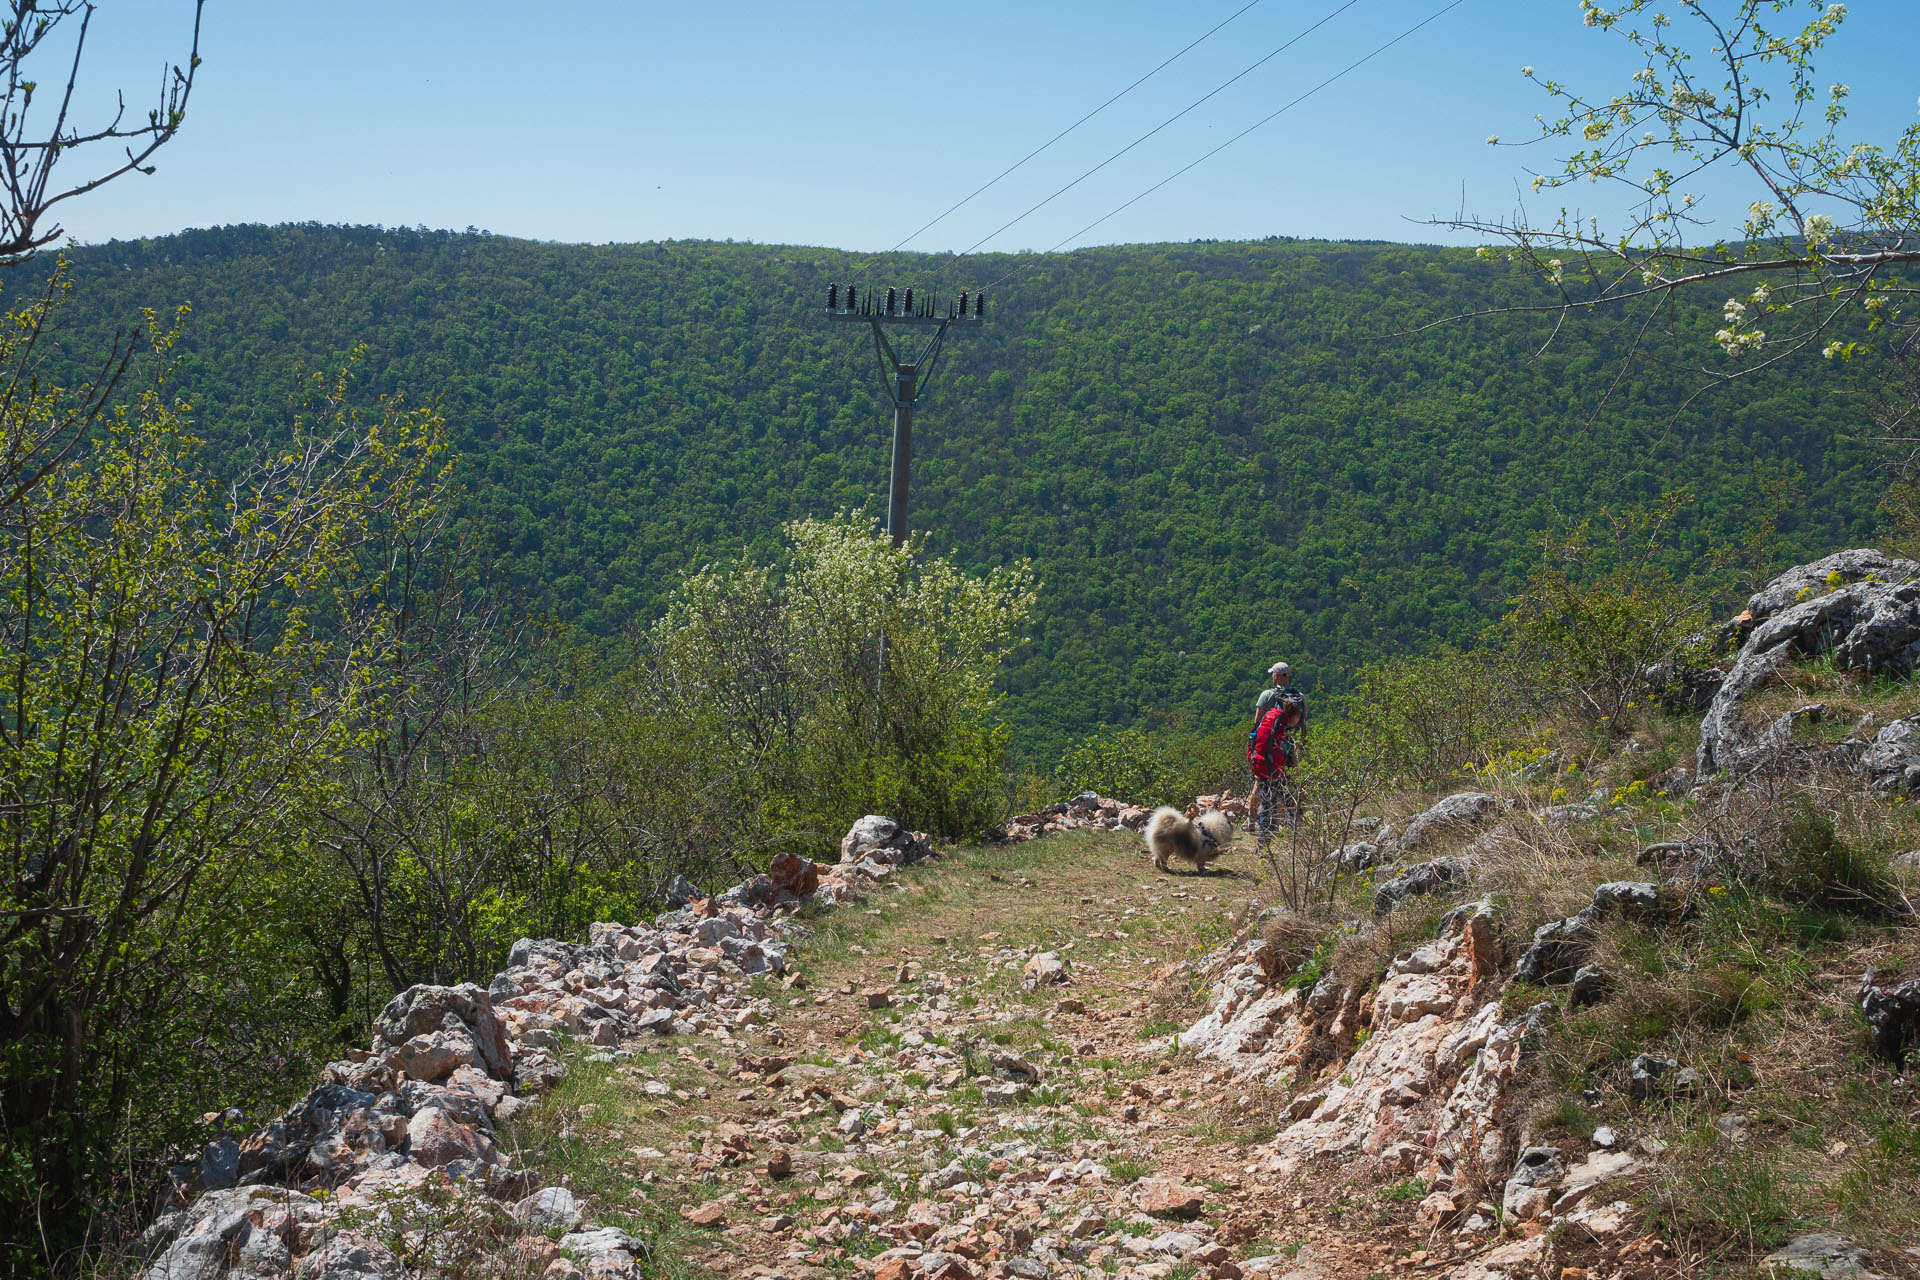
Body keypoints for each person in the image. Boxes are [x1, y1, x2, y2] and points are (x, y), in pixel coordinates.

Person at [1249, 661, 1306, 843]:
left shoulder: (1267, 695)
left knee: (1267, 796)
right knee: (1292, 795)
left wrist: (1252, 749)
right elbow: (1304, 722)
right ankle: (1294, 835)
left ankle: (1263, 839)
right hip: (1293, 750)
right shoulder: (1299, 697)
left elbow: (1257, 724)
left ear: (1275, 675)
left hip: (1271, 753)